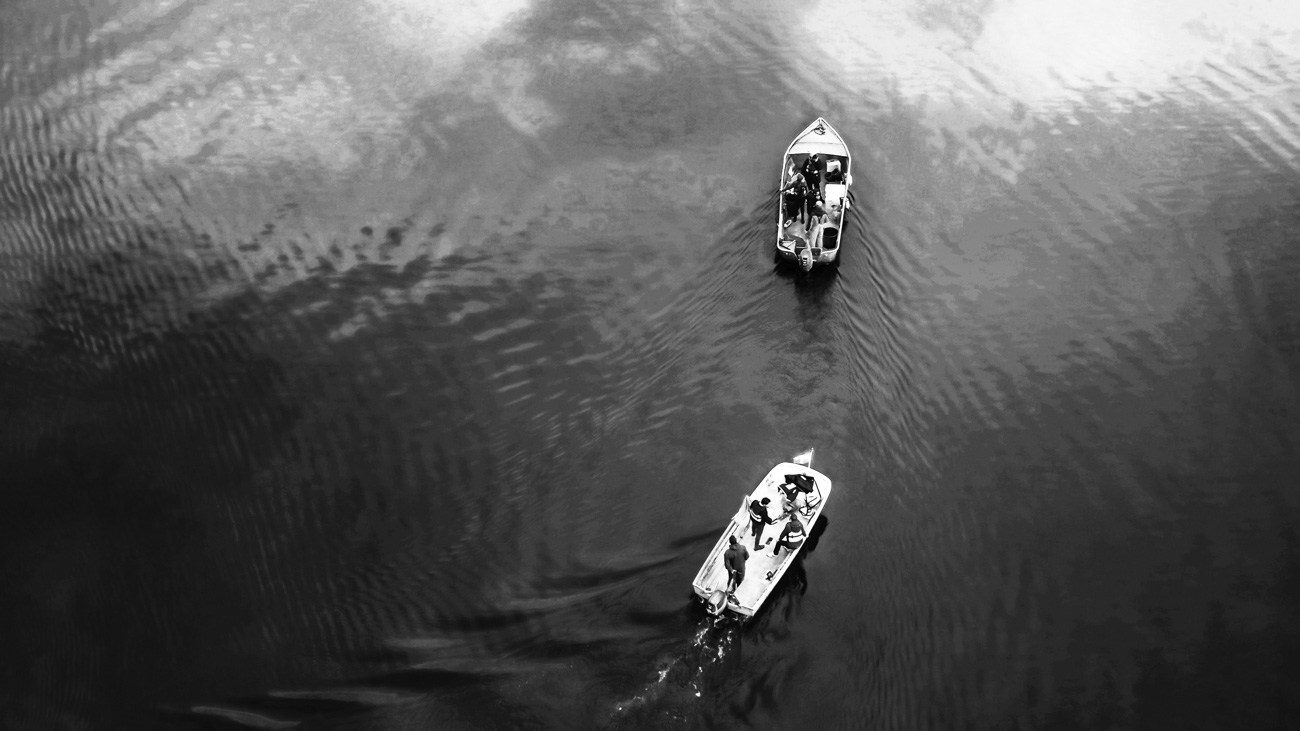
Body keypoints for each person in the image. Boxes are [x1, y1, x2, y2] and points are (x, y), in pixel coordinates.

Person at [723, 535, 748, 600]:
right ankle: (738, 594)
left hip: (733, 571)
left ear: (730, 543)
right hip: (741, 569)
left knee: (731, 582)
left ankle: (731, 592)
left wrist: (731, 570)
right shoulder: (743, 548)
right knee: (740, 581)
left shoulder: (727, 553)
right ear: (736, 540)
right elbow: (747, 557)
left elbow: (727, 564)